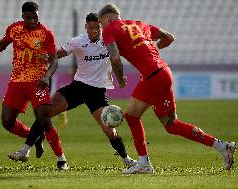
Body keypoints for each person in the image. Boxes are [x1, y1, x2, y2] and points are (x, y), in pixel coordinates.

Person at [98, 3, 237, 174]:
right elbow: (169, 37)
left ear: (108, 18)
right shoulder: (140, 24)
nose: (101, 27)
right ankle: (144, 163)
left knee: (171, 124)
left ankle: (222, 146)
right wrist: (151, 50)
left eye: (100, 22)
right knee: (132, 116)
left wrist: (119, 79)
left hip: (154, 76)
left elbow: (115, 57)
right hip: (157, 72)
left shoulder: (109, 29)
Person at [8, 13, 137, 168]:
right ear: (86, 27)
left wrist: (123, 74)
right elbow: (60, 53)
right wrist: (47, 57)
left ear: (101, 26)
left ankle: (126, 159)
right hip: (78, 87)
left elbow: (123, 54)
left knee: (110, 131)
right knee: (45, 113)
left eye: (97, 27)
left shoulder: (109, 41)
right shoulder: (78, 41)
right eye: (91, 27)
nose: (95, 30)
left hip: (97, 93)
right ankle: (25, 150)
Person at [0, 1, 68, 170]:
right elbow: (0, 46)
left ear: (38, 14)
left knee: (44, 119)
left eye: (35, 17)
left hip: (38, 81)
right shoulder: (14, 29)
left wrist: (47, 76)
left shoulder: (46, 33)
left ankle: (61, 159)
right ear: (23, 16)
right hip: (17, 81)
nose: (32, 21)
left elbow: (54, 59)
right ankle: (35, 138)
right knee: (7, 121)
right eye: (28, 17)